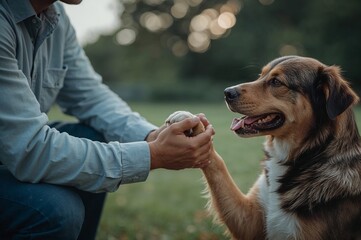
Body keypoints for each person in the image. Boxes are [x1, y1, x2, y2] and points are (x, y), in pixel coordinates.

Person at [0, 0, 215, 239]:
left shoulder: (55, 17)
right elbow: (30, 148)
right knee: (55, 210)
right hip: (17, 152)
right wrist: (154, 155)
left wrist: (152, 136)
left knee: (96, 136)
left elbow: (91, 97)